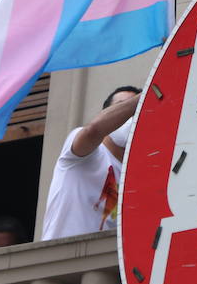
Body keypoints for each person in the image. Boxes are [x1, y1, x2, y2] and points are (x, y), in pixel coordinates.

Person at [41, 85, 140, 240]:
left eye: (136, 113)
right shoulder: (87, 152)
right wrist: (142, 98)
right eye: (122, 108)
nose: (129, 118)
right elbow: (93, 130)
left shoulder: (137, 176)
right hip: (61, 257)